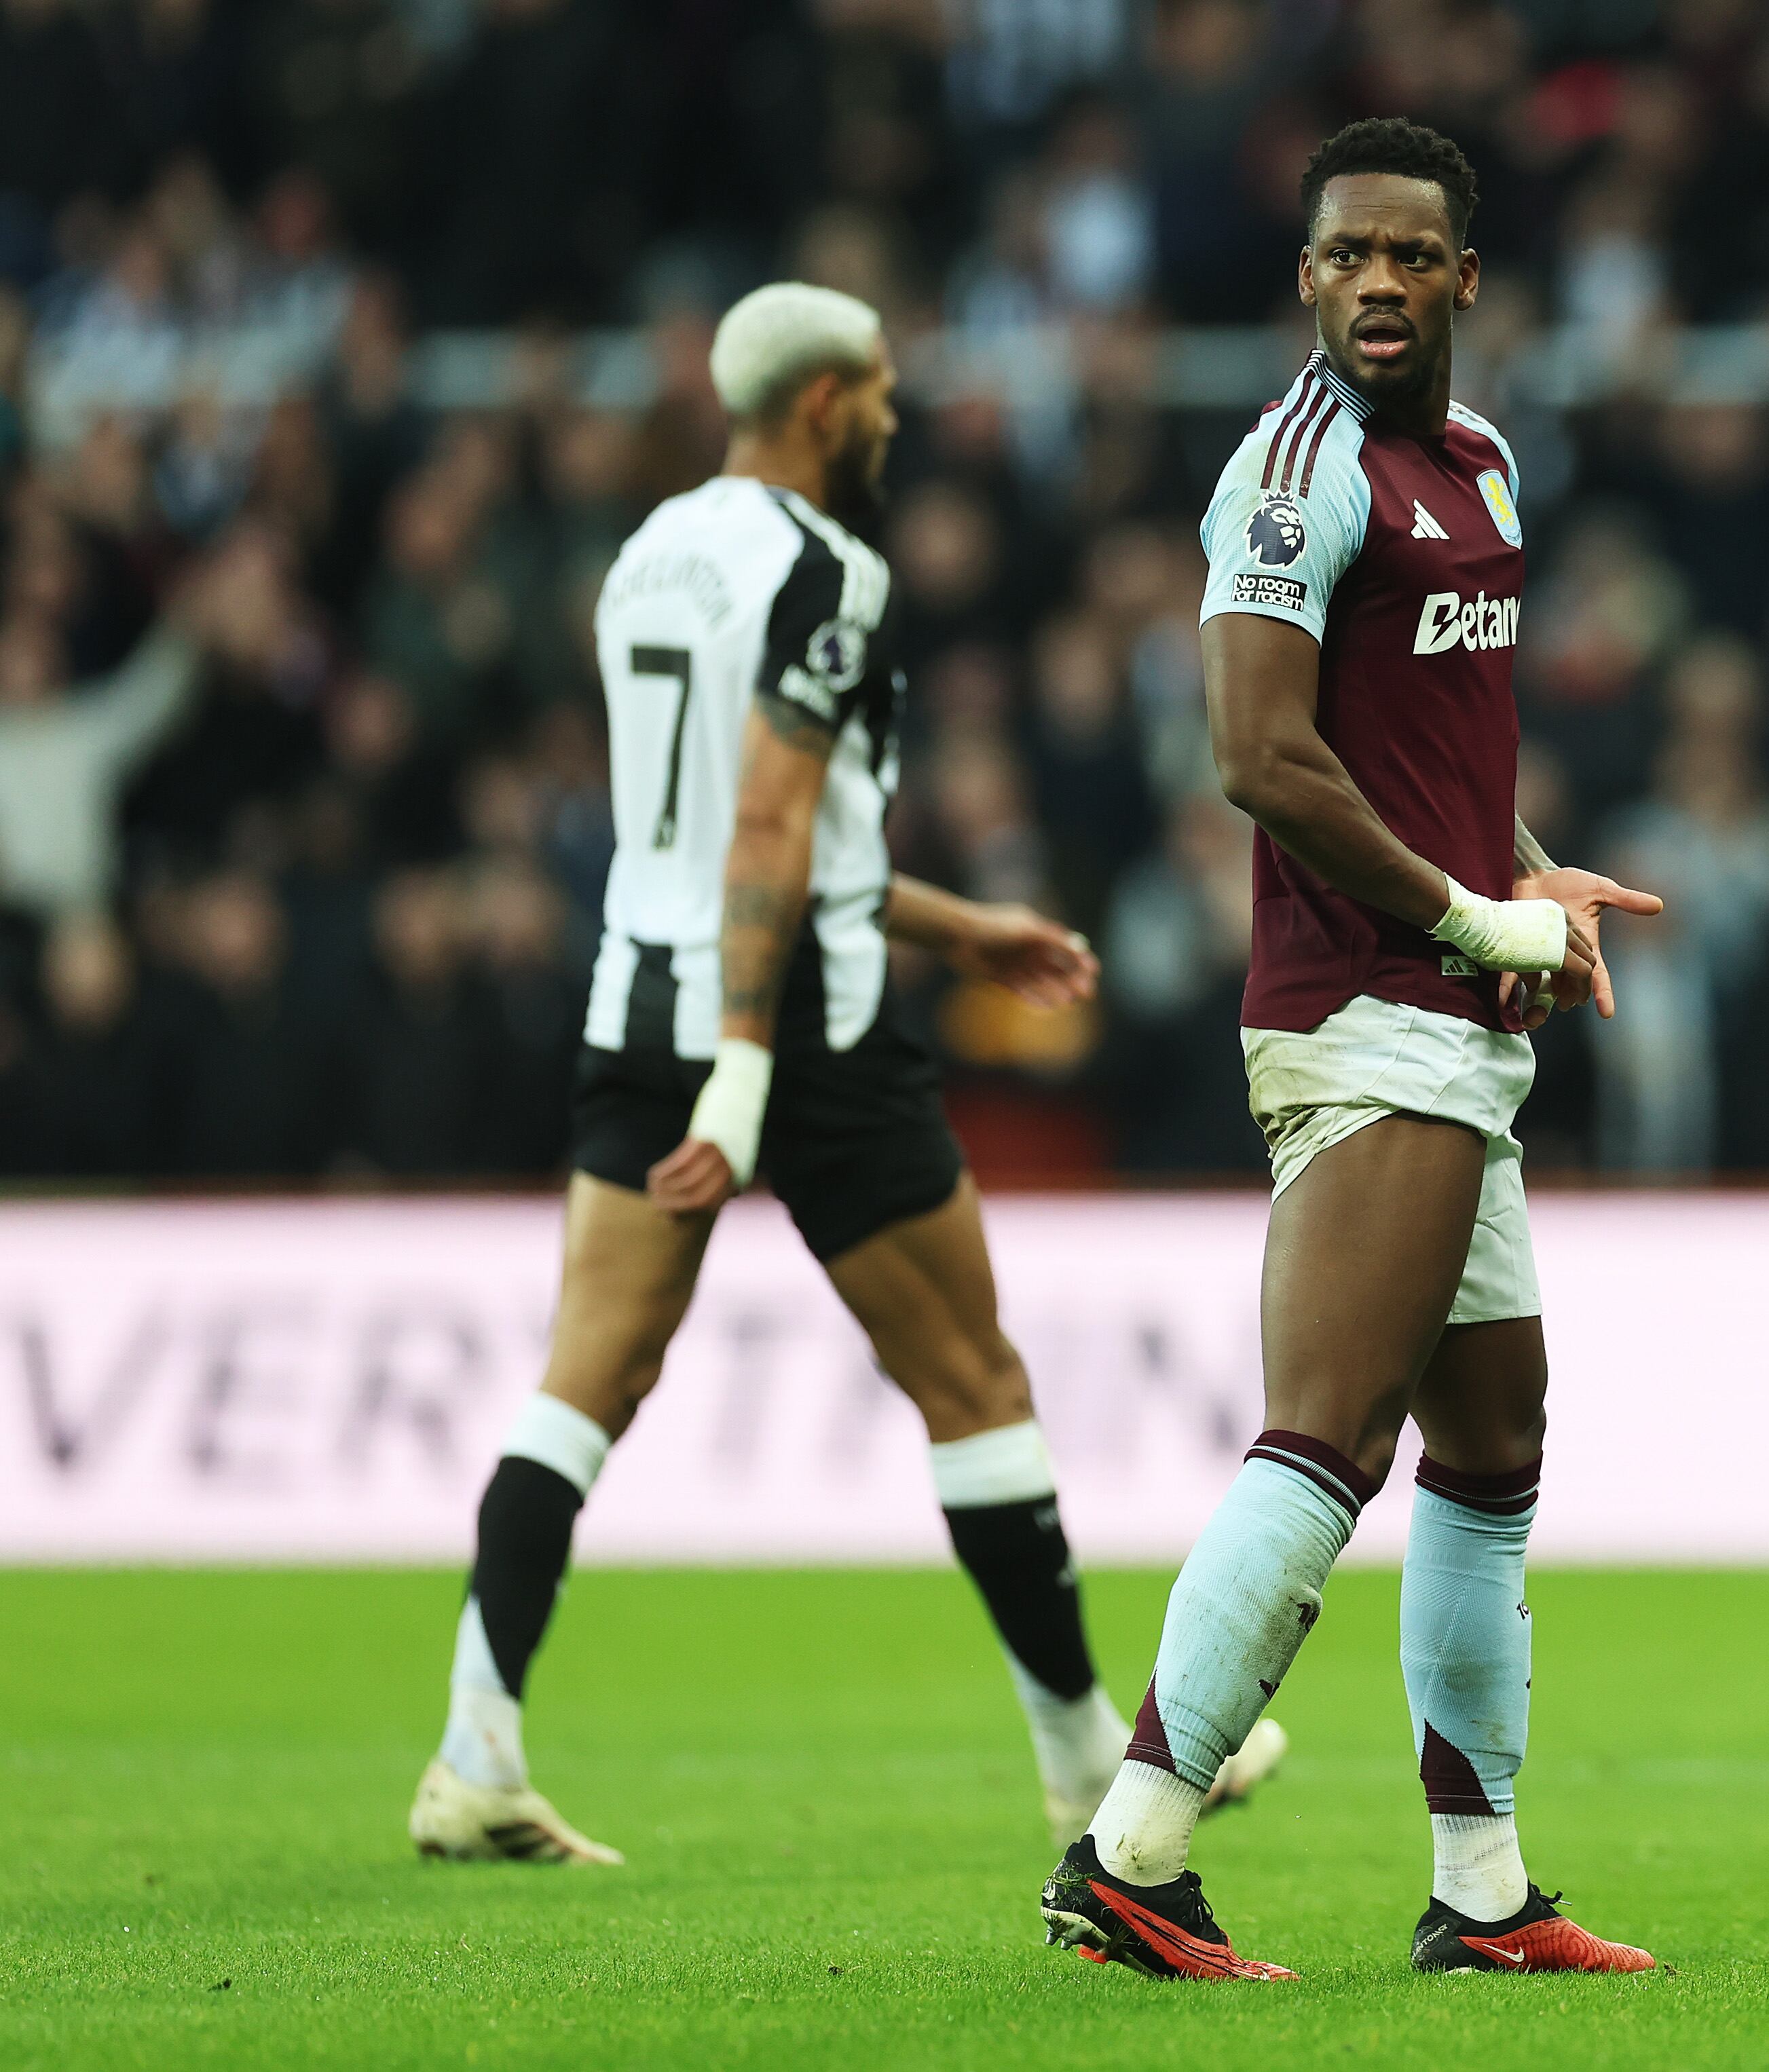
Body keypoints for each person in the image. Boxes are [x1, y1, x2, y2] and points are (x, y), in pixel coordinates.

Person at [405, 282, 1280, 1866]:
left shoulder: (644, 558)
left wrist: (956, 931)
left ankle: (473, 1749)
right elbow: (770, 833)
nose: (891, 412)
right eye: (875, 389)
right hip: (796, 1025)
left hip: (640, 996)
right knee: (973, 1385)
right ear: (821, 404)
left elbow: (719, 835)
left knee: (583, 1378)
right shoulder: (832, 571)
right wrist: (750, 1067)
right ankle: (1087, 1759)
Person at [1037, 118, 1664, 1981]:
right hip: (1365, 1011)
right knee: (1332, 1432)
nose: (1378, 282)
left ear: (1468, 278)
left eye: (1412, 254)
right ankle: (1138, 1846)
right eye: (1345, 257)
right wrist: (1468, 917)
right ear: (1306, 280)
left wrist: (1528, 866)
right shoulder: (1290, 480)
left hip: (1461, 1007)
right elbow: (1262, 753)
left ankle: (1482, 1888)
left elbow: (1439, 739)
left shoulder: (1483, 464)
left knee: (1492, 1440)